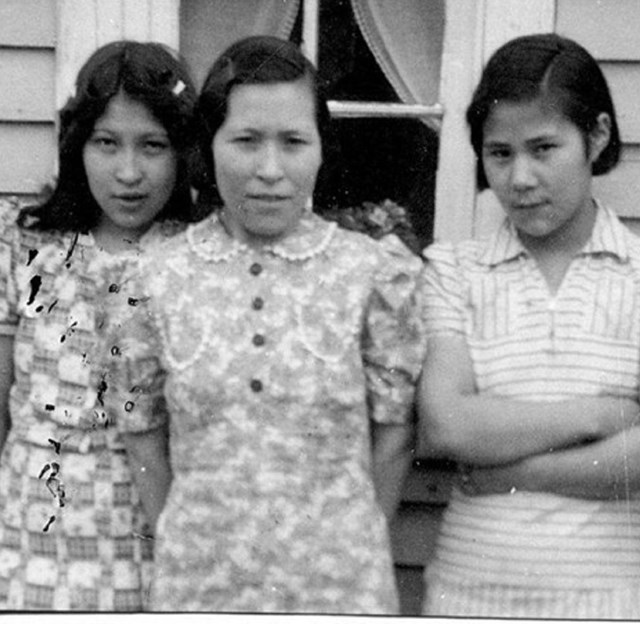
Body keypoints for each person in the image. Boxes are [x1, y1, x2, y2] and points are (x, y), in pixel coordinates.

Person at [106, 35, 423, 614]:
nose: (270, 169)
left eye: (293, 142)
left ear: (321, 149)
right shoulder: (155, 278)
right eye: (246, 141)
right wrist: (181, 532)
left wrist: (352, 540)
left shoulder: (369, 272)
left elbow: (396, 427)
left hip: (338, 588)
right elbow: (138, 423)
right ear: (210, 146)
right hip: (201, 587)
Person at [418, 33, 640, 619]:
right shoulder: (455, 271)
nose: (519, 178)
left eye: (543, 149)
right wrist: (600, 414)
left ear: (595, 137)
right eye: (499, 154)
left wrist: (515, 472)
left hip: (614, 601)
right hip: (468, 597)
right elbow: (446, 424)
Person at [0, 40, 203, 610]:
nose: (129, 172)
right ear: (76, 143)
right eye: (106, 143)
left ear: (184, 151)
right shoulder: (25, 243)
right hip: (28, 531)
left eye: (153, 146)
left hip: (150, 527)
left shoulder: (197, 258)